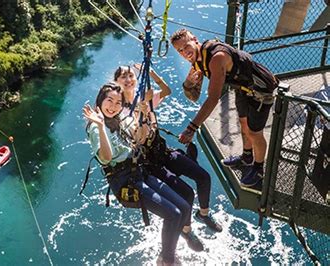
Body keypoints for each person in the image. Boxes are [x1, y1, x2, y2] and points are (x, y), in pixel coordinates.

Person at [83, 82, 190, 265]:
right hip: (125, 181)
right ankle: (167, 260)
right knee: (173, 214)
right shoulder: (95, 127)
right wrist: (101, 126)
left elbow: (140, 139)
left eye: (118, 103)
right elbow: (107, 158)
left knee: (184, 208)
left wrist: (143, 112)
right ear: (100, 101)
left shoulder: (120, 120)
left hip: (138, 171)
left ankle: (168, 252)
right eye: (109, 101)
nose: (113, 106)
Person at [114, 66, 222, 242]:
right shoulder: (122, 110)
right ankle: (186, 230)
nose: (128, 80)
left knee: (203, 177)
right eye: (122, 77)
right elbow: (138, 138)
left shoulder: (144, 96)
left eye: (130, 75)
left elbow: (167, 90)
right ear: (117, 82)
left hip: (162, 152)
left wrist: (150, 72)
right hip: (150, 163)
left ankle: (203, 214)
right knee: (187, 194)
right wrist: (143, 110)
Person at [170, 29, 279, 187]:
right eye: (179, 50)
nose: (184, 52)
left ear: (195, 39)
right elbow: (193, 97)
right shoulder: (196, 60)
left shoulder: (217, 58)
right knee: (243, 124)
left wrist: (192, 128)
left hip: (260, 89)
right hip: (243, 88)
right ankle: (246, 157)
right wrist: (188, 83)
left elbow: (213, 98)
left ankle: (258, 168)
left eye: (186, 46)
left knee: (255, 133)